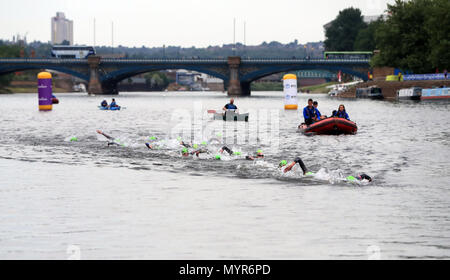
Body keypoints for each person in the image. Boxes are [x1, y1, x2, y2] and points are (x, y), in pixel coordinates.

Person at [281, 156, 372, 182]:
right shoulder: (304, 175)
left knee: (348, 179)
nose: (289, 169)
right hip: (329, 178)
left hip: (329, 177)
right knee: (347, 180)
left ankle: (365, 177)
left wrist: (292, 164)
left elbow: (298, 159)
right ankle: (364, 177)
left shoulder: (306, 172)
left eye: (287, 167)